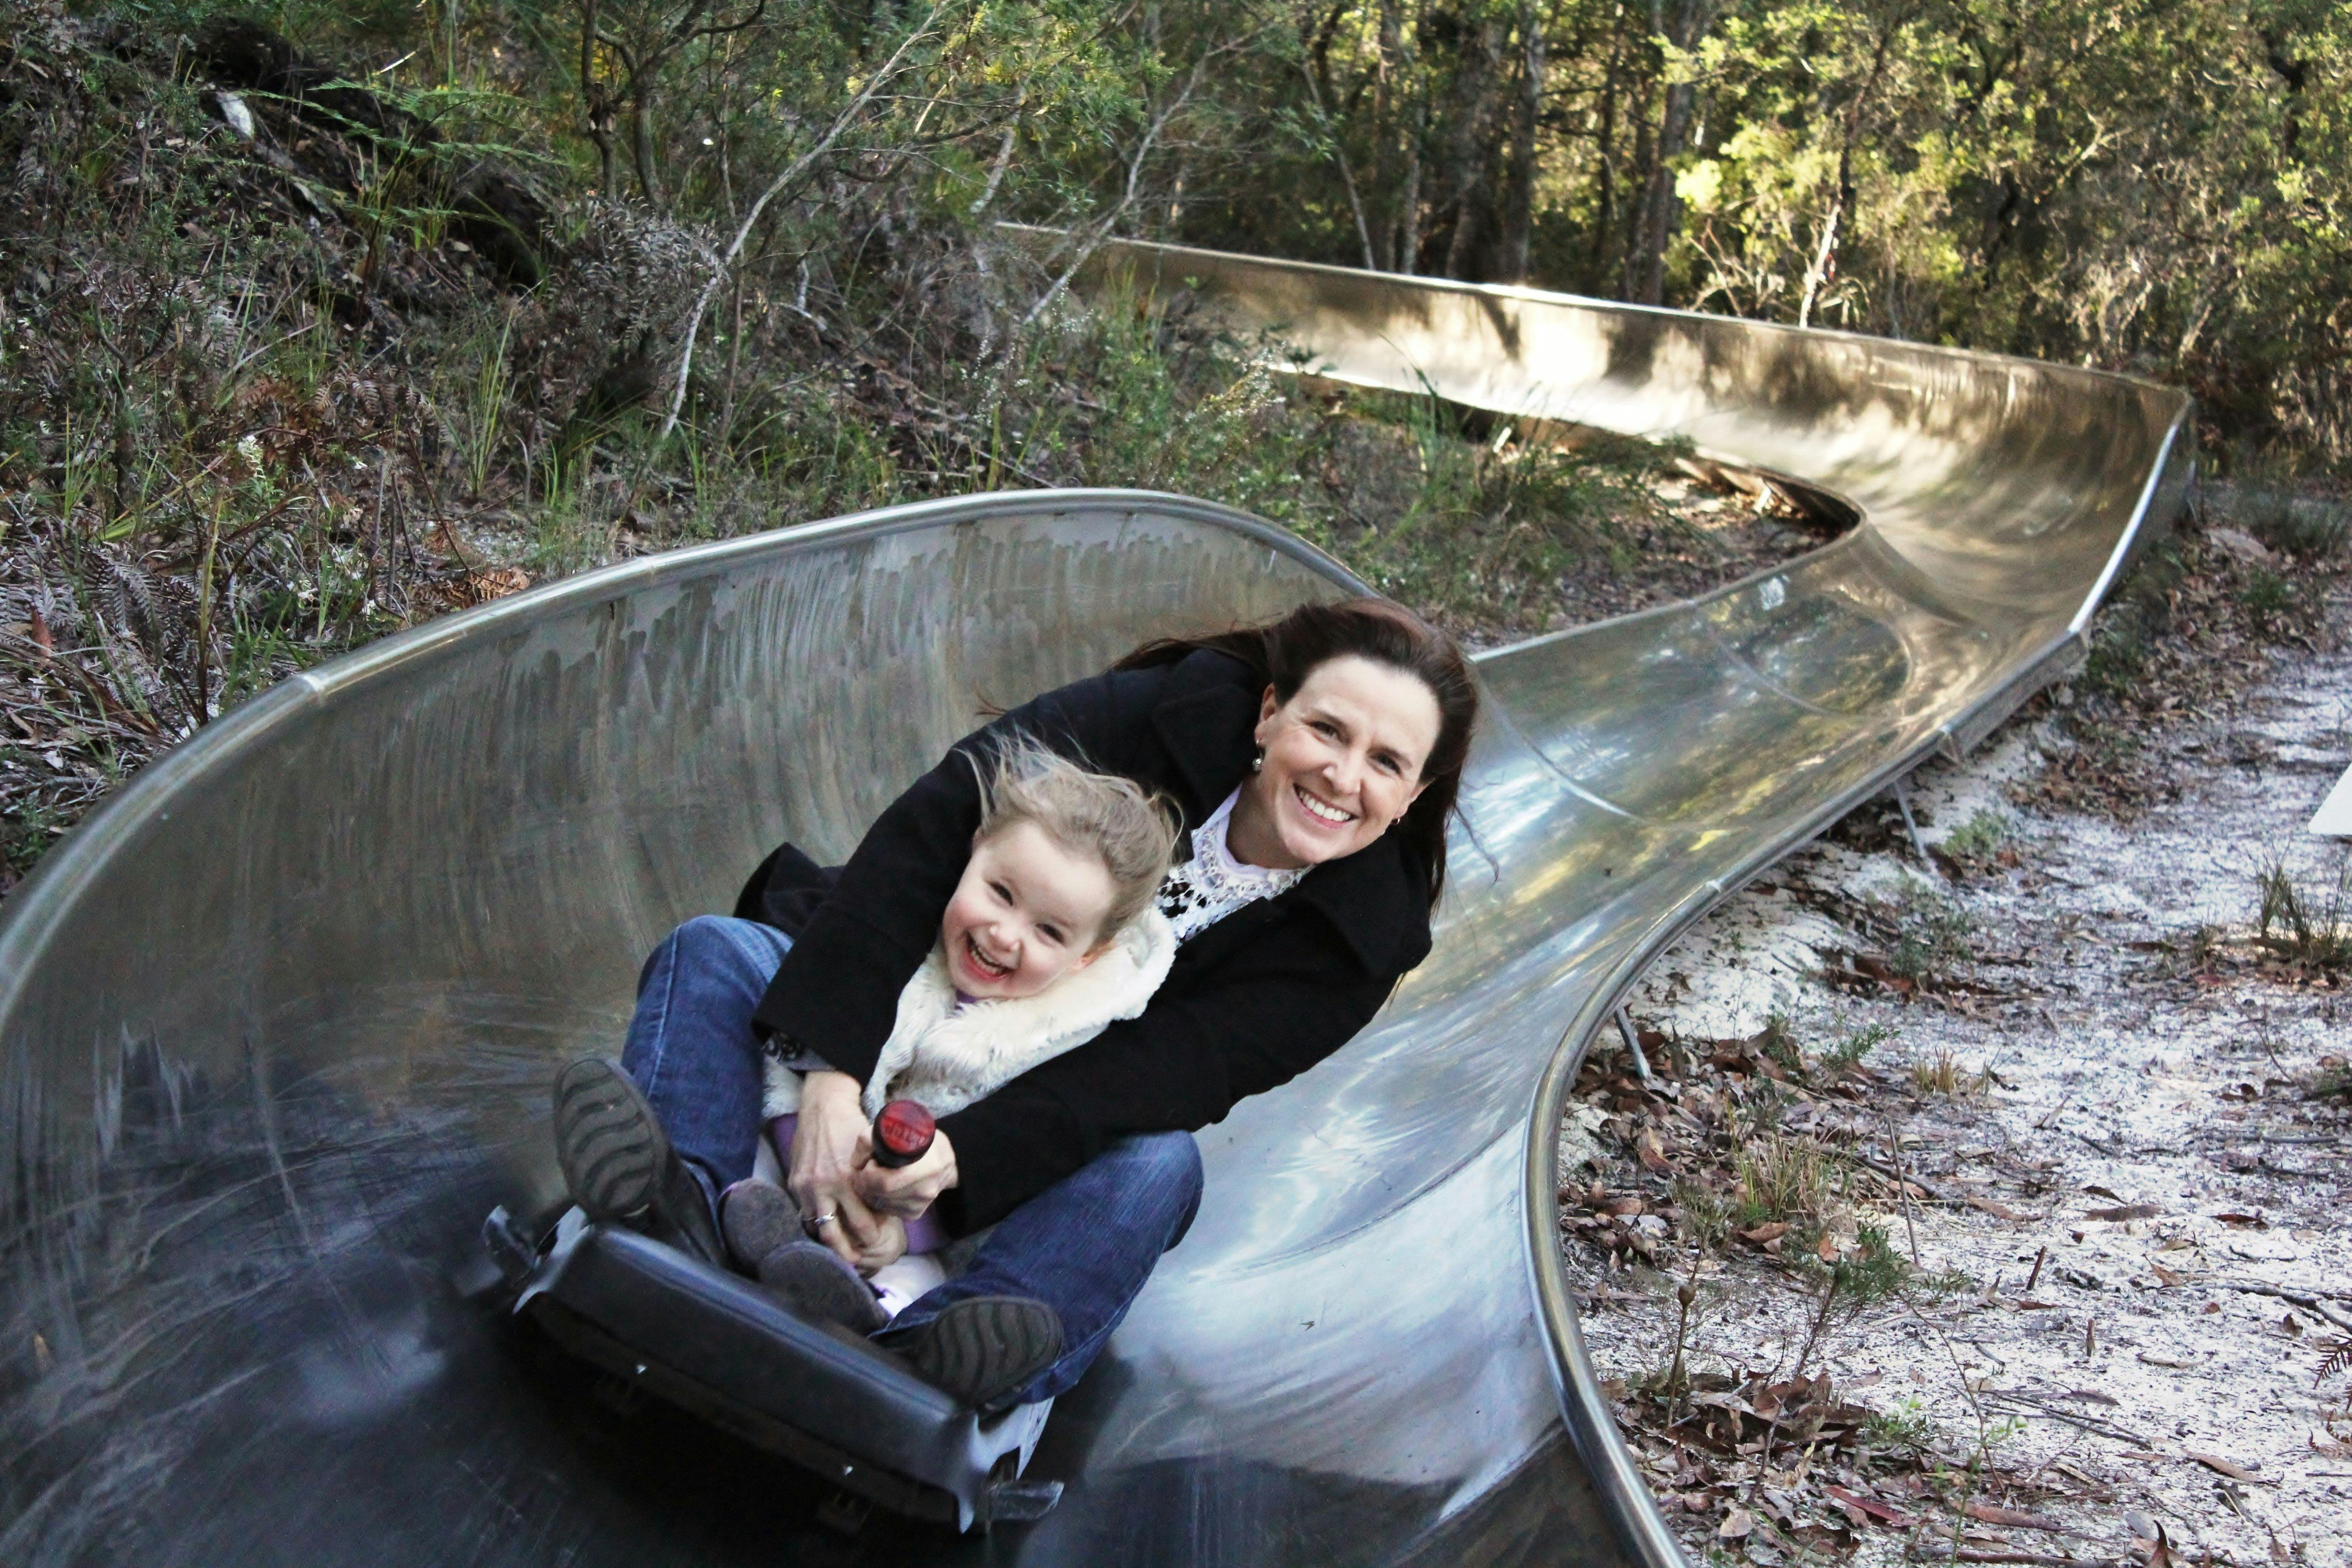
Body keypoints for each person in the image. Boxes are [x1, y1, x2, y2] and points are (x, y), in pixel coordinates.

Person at [550, 597, 1480, 1415]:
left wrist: (947, 1175)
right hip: (894, 1006)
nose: (1342, 776)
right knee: (717, 950)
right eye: (1328, 731)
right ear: (1272, 712)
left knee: (1161, 1168)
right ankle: (685, 1202)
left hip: (1019, 1134)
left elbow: (1164, 1076)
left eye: (1386, 762)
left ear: (1416, 794)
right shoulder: (1149, 721)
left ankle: (928, 1347)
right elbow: (923, 844)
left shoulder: (1356, 946)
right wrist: (828, 1070)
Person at [708, 737, 1184, 1331]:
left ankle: (874, 1323)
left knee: (922, 1280)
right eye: (1000, 893)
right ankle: (703, 1204)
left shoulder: (1072, 1039)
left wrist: (901, 1234)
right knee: (744, 1143)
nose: (1005, 935)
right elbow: (794, 1037)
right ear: (974, 851)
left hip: (912, 1236)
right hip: (795, 1156)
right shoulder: (895, 938)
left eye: (1049, 934)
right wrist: (796, 1137)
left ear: (1089, 957)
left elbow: (1024, 1165)